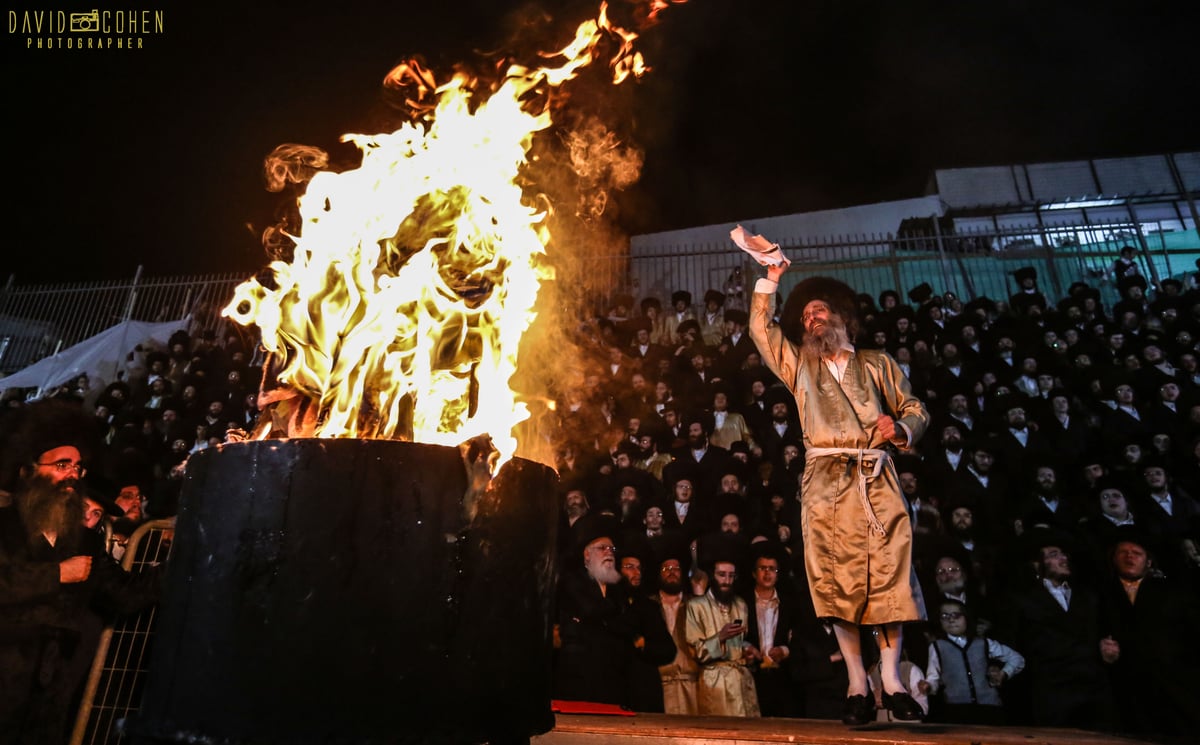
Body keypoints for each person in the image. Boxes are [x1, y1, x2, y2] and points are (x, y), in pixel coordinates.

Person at [748, 266, 930, 724]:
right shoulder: (799, 366)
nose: (811, 319)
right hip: (824, 479)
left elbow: (915, 408)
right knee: (836, 581)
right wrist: (769, 278)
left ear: (841, 318)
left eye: (819, 311)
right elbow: (760, 330)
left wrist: (901, 426)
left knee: (889, 575)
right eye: (806, 316)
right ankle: (855, 683)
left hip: (875, 475)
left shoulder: (878, 362)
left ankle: (891, 680)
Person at [0, 401, 163, 745]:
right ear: (28, 472)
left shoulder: (83, 539)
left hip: (52, 689)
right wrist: (56, 574)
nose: (73, 474)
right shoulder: (3, 526)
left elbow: (123, 593)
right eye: (62, 465)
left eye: (78, 467)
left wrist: (184, 560)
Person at [684, 554, 760, 717]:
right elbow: (695, 651)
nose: (726, 581)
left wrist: (748, 650)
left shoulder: (740, 604)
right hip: (714, 683)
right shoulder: (695, 606)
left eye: (731, 576)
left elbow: (742, 641)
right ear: (712, 575)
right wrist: (720, 637)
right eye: (722, 575)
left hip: (741, 681)